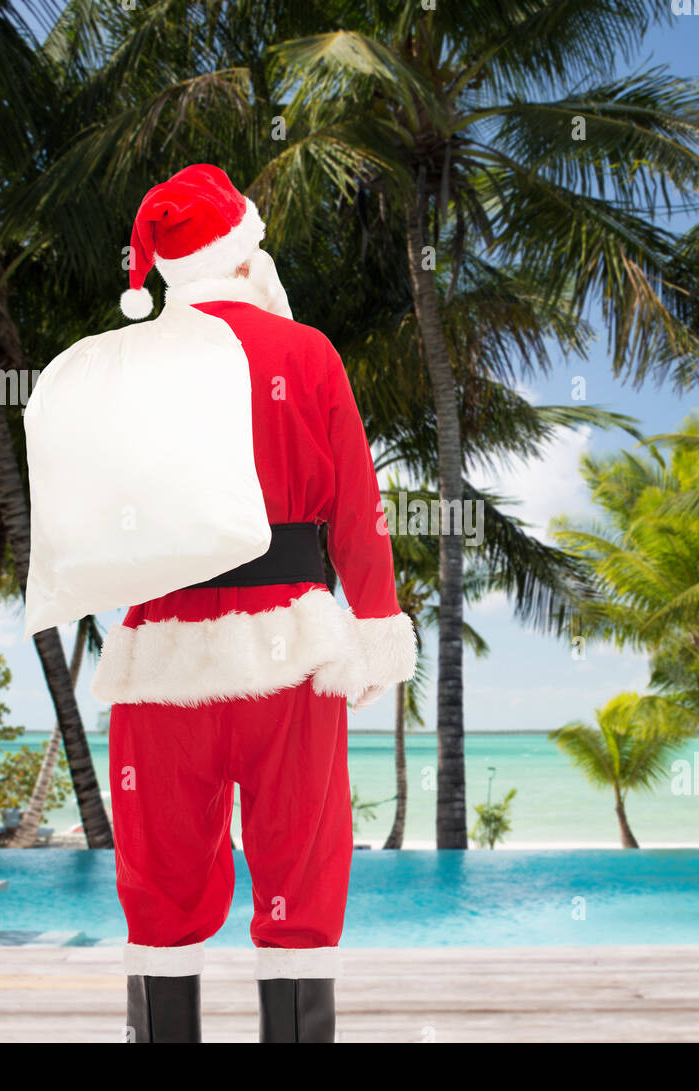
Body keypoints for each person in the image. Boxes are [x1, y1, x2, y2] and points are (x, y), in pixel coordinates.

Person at [91, 164, 418, 1043]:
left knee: (159, 880)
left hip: (162, 660)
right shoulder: (306, 353)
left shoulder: (125, 364)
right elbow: (358, 510)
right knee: (300, 871)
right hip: (292, 654)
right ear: (244, 256)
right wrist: (378, 627)